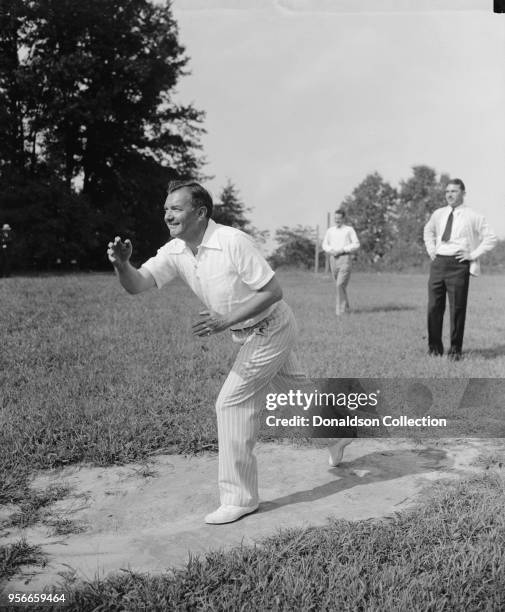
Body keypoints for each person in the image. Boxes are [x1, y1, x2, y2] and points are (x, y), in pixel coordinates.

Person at [107, 180, 351, 524]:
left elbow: (273, 291)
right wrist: (122, 265)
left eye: (176, 209)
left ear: (201, 212)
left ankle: (240, 498)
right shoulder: (175, 250)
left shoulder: (232, 241)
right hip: (248, 333)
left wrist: (225, 321)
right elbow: (138, 285)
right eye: (165, 210)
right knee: (298, 394)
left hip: (272, 325)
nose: (167, 215)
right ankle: (339, 434)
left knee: (231, 402)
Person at [423, 179, 497, 360]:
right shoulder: (439, 214)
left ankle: (455, 352)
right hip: (439, 263)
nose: (449, 194)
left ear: (463, 193)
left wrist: (473, 254)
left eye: (454, 191)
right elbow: (428, 231)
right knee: (433, 307)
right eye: (447, 191)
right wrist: (432, 251)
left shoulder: (473, 215)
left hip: (458, 265)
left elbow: (491, 238)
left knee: (457, 309)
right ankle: (434, 349)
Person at [322, 210, 360, 315]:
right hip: (333, 259)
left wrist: (343, 249)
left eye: (339, 218)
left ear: (343, 218)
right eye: (336, 218)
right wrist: (331, 250)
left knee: (340, 284)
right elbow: (325, 244)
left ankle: (340, 312)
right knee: (340, 286)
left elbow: (356, 244)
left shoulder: (349, 230)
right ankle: (346, 309)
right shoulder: (330, 231)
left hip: (345, 258)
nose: (337, 220)